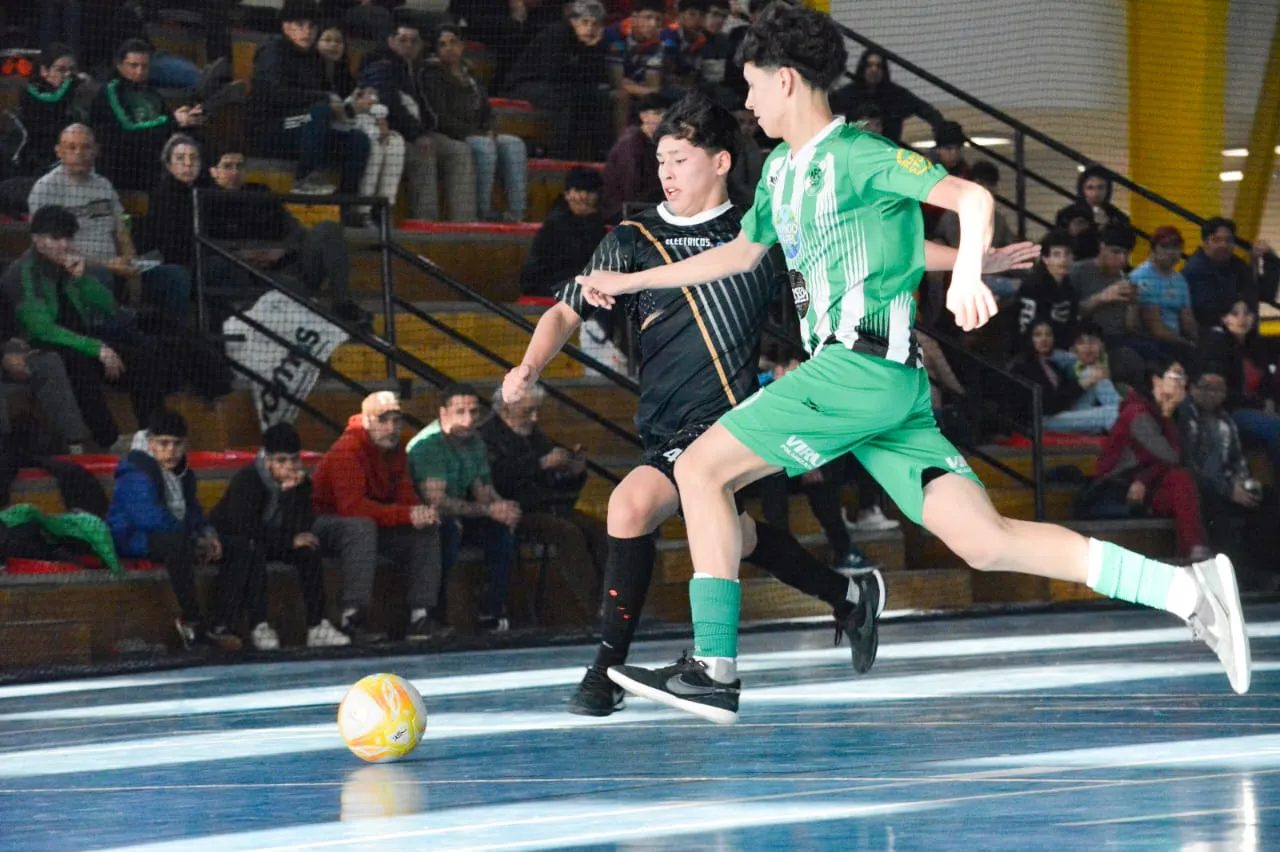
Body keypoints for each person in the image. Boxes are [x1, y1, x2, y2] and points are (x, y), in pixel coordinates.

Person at [577, 4, 1251, 722]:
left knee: (700, 468)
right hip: (887, 394)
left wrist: (968, 273)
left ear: (787, 80)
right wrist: (631, 281)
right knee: (984, 541)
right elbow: (743, 254)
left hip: (857, 371)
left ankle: (713, 666)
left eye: (750, 84)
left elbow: (971, 196)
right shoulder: (778, 171)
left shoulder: (858, 156)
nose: (745, 102)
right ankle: (1189, 591)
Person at [504, 93, 893, 718]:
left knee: (629, 505)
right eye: (660, 159)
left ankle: (604, 673)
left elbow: (834, 276)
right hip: (663, 427)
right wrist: (528, 366)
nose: (665, 172)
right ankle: (848, 596)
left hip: (732, 424)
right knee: (733, 536)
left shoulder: (757, 233)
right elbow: (562, 311)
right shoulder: (631, 240)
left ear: (719, 161)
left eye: (679, 159)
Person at [0, 204, 169, 451]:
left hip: (80, 340)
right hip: (42, 346)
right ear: (37, 240)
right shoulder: (22, 273)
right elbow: (41, 330)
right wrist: (96, 348)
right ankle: (107, 440)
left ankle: (154, 436)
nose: (65, 245)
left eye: (68, 238)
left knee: (142, 361)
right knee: (76, 363)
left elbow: (108, 307)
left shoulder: (69, 267)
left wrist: (83, 278)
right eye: (56, 238)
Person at [311, 391, 447, 640]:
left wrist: (421, 512)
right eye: (383, 420)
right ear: (366, 421)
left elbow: (406, 496)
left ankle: (420, 617)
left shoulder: (397, 451)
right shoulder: (347, 450)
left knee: (426, 528)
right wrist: (406, 514)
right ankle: (350, 618)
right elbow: (351, 509)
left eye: (396, 421)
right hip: (325, 524)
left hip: (371, 524)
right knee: (360, 527)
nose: (391, 428)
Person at [107, 410, 246, 651]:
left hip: (173, 535)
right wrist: (194, 540)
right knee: (177, 544)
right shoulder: (136, 470)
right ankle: (192, 622)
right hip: (132, 538)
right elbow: (150, 519)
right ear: (151, 443)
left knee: (242, 548)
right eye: (163, 443)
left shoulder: (184, 472)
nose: (170, 450)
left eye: (177, 444)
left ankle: (220, 623)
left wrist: (208, 534)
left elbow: (193, 512)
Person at [208, 423, 351, 649]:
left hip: (274, 539)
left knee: (309, 549)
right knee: (254, 548)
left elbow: (302, 525)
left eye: (294, 460)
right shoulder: (247, 480)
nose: (290, 467)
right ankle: (260, 625)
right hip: (240, 540)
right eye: (282, 461)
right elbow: (244, 527)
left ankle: (317, 626)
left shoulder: (300, 483)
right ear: (267, 461)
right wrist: (288, 540)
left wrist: (290, 495)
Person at [481, 386, 607, 625]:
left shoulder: (534, 435)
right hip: (517, 511)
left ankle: (615, 601)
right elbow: (498, 481)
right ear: (507, 409)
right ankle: (593, 609)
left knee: (601, 531)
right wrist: (540, 464)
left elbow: (558, 485)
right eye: (528, 411)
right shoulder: (487, 437)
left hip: (551, 506)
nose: (535, 418)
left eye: (536, 411)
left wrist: (572, 472)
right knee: (567, 533)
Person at [407, 384, 520, 632]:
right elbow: (436, 501)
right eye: (460, 412)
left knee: (500, 529)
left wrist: (502, 507)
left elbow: (483, 491)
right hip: (426, 518)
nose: (468, 419)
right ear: (443, 413)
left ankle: (491, 611)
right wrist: (487, 510)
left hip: (461, 511)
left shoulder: (475, 443)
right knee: (449, 530)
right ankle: (433, 614)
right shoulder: (429, 445)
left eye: (473, 412)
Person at [202, 148, 363, 320]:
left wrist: (282, 250)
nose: (235, 172)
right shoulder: (204, 199)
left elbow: (297, 232)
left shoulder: (261, 192)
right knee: (290, 287)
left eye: (239, 166)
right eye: (227, 166)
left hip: (286, 265)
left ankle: (343, 304)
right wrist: (242, 255)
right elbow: (204, 244)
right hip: (246, 276)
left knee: (328, 229)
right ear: (213, 172)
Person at [360, 16, 478, 221]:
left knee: (459, 150)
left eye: (413, 41)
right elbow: (390, 105)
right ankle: (426, 221)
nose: (408, 45)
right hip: (390, 133)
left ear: (421, 45)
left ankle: (465, 220)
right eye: (402, 39)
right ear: (391, 41)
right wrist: (417, 135)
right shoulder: (381, 65)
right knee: (423, 154)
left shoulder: (418, 69)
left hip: (417, 131)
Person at [1088, 358, 1208, 560]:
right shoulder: (1137, 413)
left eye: (1183, 377)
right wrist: (1168, 415)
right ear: (1156, 381)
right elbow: (1171, 456)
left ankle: (1192, 554)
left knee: (1184, 483)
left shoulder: (1170, 410)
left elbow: (1173, 460)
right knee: (1181, 479)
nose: (1182, 383)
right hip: (1118, 489)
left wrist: (1144, 479)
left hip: (1145, 486)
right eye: (1176, 377)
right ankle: (1195, 552)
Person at [249, 0, 371, 196]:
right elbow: (275, 95)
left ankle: (347, 201)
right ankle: (305, 179)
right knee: (319, 111)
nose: (307, 32)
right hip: (273, 128)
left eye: (312, 26)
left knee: (358, 141)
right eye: (300, 25)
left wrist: (352, 108)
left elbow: (328, 102)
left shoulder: (314, 58)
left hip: (307, 128)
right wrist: (324, 98)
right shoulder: (273, 51)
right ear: (286, 26)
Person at [1178, 366, 1277, 590]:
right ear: (1192, 388)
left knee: (1267, 498)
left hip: (1228, 485)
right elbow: (1188, 466)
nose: (1212, 394)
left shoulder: (1226, 420)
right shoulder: (1184, 417)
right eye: (1206, 388)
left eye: (1219, 389)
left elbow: (1237, 459)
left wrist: (1241, 484)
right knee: (1216, 507)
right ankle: (1240, 577)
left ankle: (1268, 569)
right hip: (1200, 487)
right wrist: (1226, 489)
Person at [423, 24, 529, 223]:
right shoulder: (432, 75)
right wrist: (477, 133)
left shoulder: (470, 72)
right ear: (436, 50)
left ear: (462, 45)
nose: (449, 48)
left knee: (514, 143)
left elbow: (486, 109)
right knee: (485, 146)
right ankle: (483, 210)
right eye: (442, 45)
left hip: (479, 131)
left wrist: (489, 128)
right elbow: (441, 117)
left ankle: (517, 213)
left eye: (453, 42)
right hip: (453, 133)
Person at [89, 38, 206, 191]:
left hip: (155, 163)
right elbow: (127, 129)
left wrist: (188, 120)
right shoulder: (111, 91)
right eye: (134, 66)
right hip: (123, 165)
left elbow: (168, 125)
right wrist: (173, 121)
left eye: (144, 66)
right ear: (120, 66)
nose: (139, 71)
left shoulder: (152, 95)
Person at [507, 0, 614, 161]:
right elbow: (554, 74)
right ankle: (559, 156)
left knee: (598, 96)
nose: (590, 28)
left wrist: (590, 49)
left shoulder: (593, 42)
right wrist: (585, 53)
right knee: (567, 98)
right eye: (585, 22)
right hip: (525, 84)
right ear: (573, 21)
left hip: (557, 85)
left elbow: (595, 76)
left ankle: (597, 155)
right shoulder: (556, 33)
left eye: (594, 24)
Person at [1199, 298, 1280, 480]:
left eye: (1247, 313)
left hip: (1259, 407)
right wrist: (1260, 404)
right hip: (1231, 411)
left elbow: (1267, 383)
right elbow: (1220, 392)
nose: (1242, 318)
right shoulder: (1216, 345)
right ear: (1224, 319)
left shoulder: (1256, 345)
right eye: (1235, 314)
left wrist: (1269, 401)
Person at [1007, 320, 1119, 435]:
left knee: (1093, 374)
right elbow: (1047, 406)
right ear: (1030, 338)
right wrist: (1081, 385)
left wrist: (1090, 377)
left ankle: (1123, 409)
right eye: (1038, 335)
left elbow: (1065, 393)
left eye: (1048, 335)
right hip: (1042, 419)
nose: (1044, 339)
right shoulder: (1023, 367)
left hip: (1062, 411)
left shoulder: (1053, 365)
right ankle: (1125, 422)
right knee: (1110, 413)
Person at [519, 167, 605, 299]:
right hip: (547, 286)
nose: (584, 196)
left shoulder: (596, 222)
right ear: (567, 194)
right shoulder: (555, 223)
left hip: (580, 284)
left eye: (590, 191)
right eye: (578, 190)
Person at [828, 47, 944, 145]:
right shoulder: (847, 94)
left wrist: (941, 128)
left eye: (879, 66)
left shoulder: (896, 95)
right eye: (869, 65)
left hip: (889, 151)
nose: (874, 70)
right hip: (854, 150)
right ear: (863, 68)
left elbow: (924, 109)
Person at [17, 44, 84, 178]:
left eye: (72, 70)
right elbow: (53, 106)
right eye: (61, 70)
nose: (68, 75)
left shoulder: (79, 93)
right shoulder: (31, 94)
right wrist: (71, 87)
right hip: (38, 163)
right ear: (44, 71)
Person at [1131, 225, 1198, 358]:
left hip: (1177, 343)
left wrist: (1199, 341)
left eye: (1177, 247)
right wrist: (1186, 344)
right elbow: (1155, 329)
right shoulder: (1141, 277)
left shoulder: (1179, 279)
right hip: (1153, 344)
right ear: (1153, 249)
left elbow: (1187, 319)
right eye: (1166, 247)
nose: (1172, 252)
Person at [1183, 217, 1261, 329]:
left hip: (1235, 331)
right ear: (1205, 242)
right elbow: (1208, 312)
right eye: (1216, 240)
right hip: (1208, 333)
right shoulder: (1195, 269)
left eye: (1228, 240)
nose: (1223, 245)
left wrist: (1257, 262)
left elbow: (1262, 293)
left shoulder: (1234, 263)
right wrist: (1240, 303)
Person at [600, 93, 667, 223]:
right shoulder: (632, 145)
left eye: (667, 113)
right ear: (643, 116)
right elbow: (630, 191)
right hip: (624, 212)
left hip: (649, 207)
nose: (664, 118)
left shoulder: (659, 142)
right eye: (658, 113)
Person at [1053, 165, 1132, 261]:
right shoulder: (1067, 215)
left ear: (1107, 190)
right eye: (1090, 188)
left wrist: (1107, 228)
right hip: (1076, 266)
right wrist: (1071, 233)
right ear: (1082, 190)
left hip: (1108, 266)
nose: (1095, 193)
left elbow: (1127, 245)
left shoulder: (1117, 216)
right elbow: (1055, 245)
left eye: (1100, 188)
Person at [1016, 229, 1078, 348]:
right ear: (1045, 258)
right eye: (1056, 254)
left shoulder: (1069, 286)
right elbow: (1024, 328)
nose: (1063, 260)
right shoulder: (1032, 287)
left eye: (1067, 254)